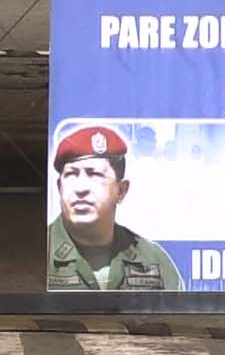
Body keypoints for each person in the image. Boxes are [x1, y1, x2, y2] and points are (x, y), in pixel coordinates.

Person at [47, 125, 182, 291]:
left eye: (94, 174)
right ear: (59, 187)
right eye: (71, 174)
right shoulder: (36, 255)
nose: (80, 188)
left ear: (121, 191)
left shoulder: (152, 260)